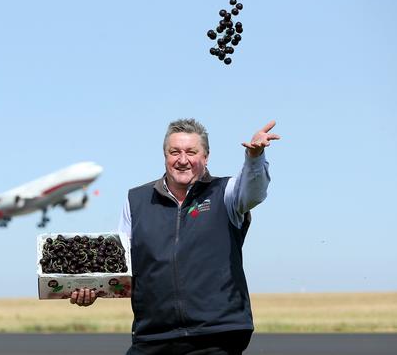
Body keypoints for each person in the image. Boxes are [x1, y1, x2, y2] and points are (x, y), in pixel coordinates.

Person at [70, 118, 280, 355]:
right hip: (152, 337)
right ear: (165, 156)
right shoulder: (136, 200)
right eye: (174, 152)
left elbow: (254, 191)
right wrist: (90, 287)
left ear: (206, 156)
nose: (182, 160)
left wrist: (255, 158)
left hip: (216, 336)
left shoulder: (227, 192)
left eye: (191, 152)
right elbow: (120, 265)